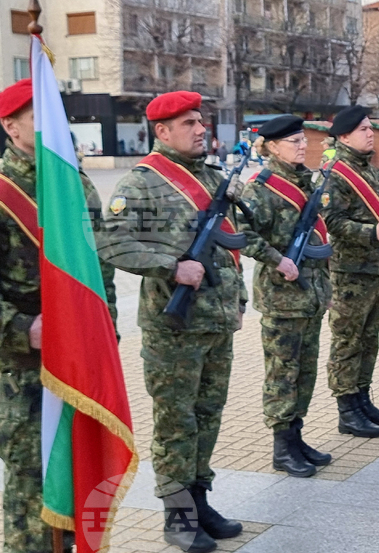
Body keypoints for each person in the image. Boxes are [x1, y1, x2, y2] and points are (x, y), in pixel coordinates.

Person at [100, 91, 243, 553]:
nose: (201, 129)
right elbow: (111, 243)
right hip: (173, 328)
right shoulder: (141, 184)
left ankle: (201, 501)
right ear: (161, 131)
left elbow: (227, 249)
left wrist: (238, 300)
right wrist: (170, 264)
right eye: (188, 123)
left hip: (216, 323)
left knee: (208, 416)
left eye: (201, 121)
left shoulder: (211, 176)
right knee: (175, 423)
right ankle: (178, 517)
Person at [0, 80, 116, 553]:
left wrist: (106, 335)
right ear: (10, 127)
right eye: (39, 118)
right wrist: (22, 329)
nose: (56, 127)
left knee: (76, 475)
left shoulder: (76, 184)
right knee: (33, 491)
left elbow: (99, 264)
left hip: (80, 361)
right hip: (23, 367)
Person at [239, 115, 333, 478]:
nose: (302, 146)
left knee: (305, 371)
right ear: (273, 146)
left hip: (310, 295)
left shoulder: (305, 181)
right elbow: (242, 233)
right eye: (293, 141)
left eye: (302, 141)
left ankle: (296, 437)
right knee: (282, 373)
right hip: (282, 297)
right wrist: (277, 259)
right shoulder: (261, 187)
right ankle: (281, 446)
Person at [322, 107, 379, 438]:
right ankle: (346, 408)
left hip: (374, 269)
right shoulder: (334, 174)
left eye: (371, 129)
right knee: (347, 341)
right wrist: (371, 234)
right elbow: (332, 222)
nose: (371, 134)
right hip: (350, 273)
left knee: (369, 340)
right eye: (364, 130)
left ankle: (362, 398)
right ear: (343, 137)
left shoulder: (368, 171)